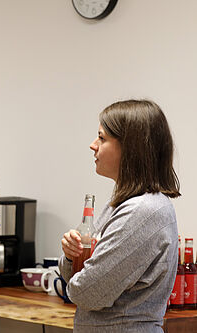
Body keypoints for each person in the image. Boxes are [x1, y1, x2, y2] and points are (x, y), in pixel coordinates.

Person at [59, 99, 181, 332]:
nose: (93, 145)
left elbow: (87, 293)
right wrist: (70, 256)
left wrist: (78, 278)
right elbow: (79, 279)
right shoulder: (123, 203)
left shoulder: (142, 211)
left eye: (102, 138)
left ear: (131, 147)